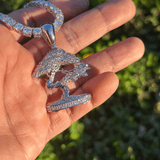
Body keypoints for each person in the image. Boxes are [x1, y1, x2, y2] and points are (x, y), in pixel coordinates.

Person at [0, 0, 144, 159]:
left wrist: (74, 66)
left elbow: (73, 62)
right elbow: (46, 70)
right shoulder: (52, 59)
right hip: (52, 75)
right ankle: (63, 93)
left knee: (67, 80)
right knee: (58, 82)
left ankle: (65, 94)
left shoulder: (61, 55)